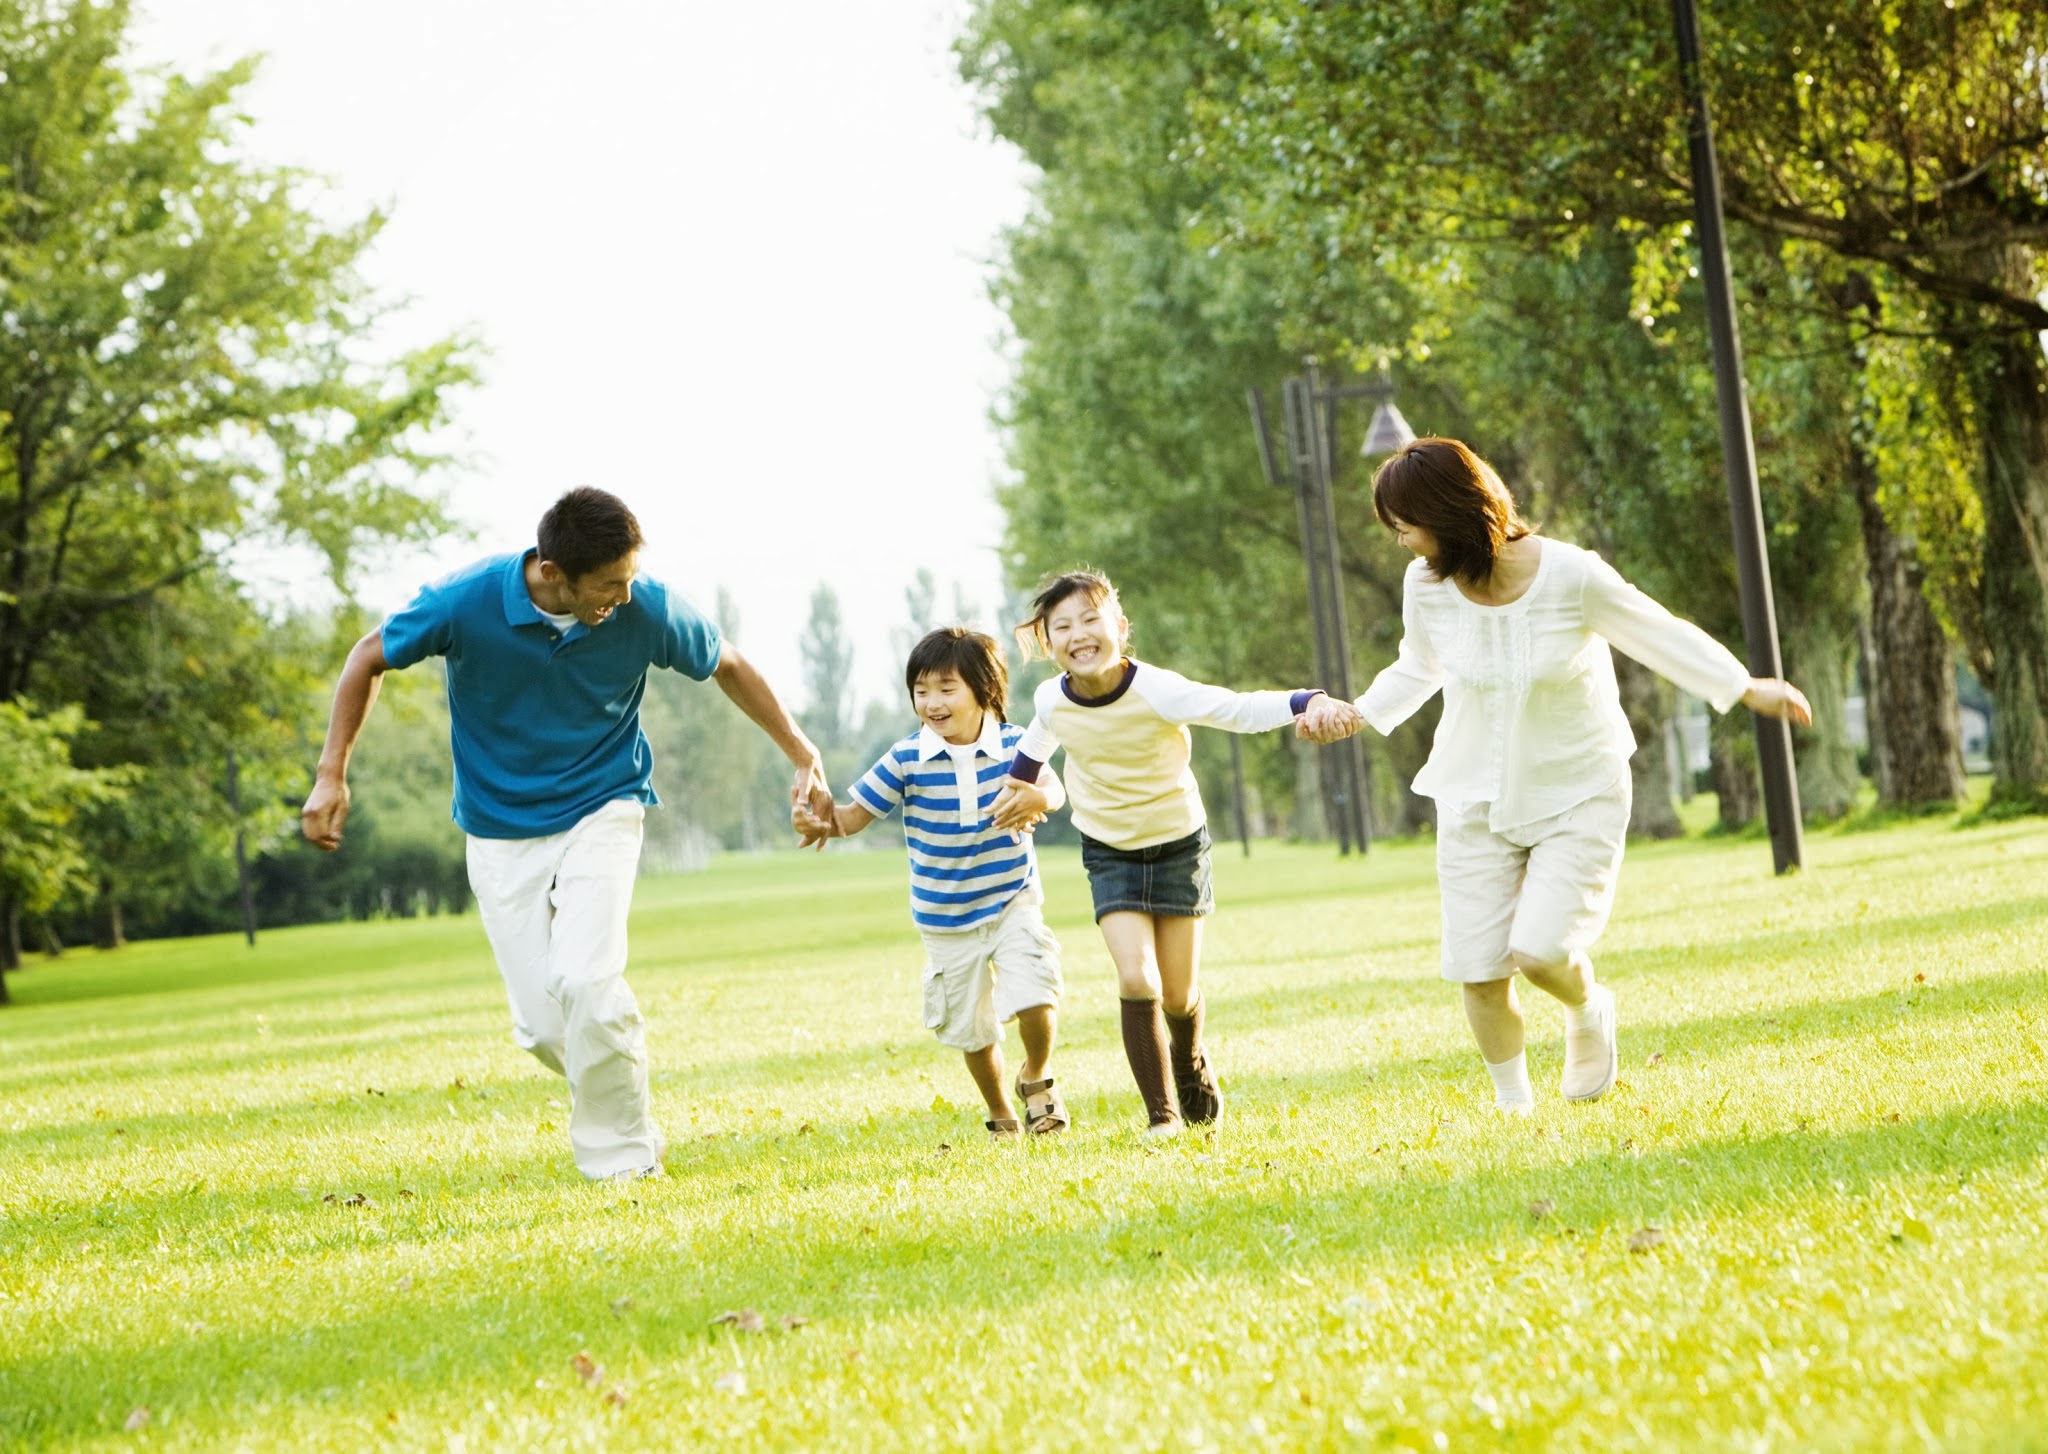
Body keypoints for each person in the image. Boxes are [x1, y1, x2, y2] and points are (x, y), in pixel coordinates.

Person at [300, 487, 831, 1180]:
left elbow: (727, 663)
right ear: (552, 572)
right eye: (608, 584)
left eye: (630, 576)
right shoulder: (465, 601)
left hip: (603, 804)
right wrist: (330, 772)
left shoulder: (644, 606)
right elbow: (367, 657)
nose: (624, 594)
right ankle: (628, 1107)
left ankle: (626, 1165)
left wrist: (801, 752)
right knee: (545, 1026)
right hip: (499, 827)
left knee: (586, 981)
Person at [1307, 437, 1811, 1113]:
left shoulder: (1571, 576)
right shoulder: (1425, 586)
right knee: (1479, 970)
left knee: (1541, 952)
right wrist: (1360, 713)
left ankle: (1587, 1007)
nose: (1401, 543)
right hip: (1473, 793)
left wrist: (1746, 688)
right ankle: (1517, 1114)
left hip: (1577, 787)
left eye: (1407, 527)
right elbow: (1418, 665)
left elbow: (1654, 630)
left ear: (1451, 513)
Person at [990, 571, 1351, 1136]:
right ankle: (1163, 1118)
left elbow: (1234, 709)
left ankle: (1189, 1060)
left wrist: (1307, 700)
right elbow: (1036, 745)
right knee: (1137, 977)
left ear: (1120, 627)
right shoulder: (1050, 700)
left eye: (1091, 620)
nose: (1079, 634)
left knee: (1179, 995)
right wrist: (1020, 790)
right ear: (1047, 640)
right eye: (1062, 626)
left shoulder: (1157, 689)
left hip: (1179, 846)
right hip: (1109, 850)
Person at [792, 627, 1071, 1140]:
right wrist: (820, 822)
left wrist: (1039, 799)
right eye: (921, 690)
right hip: (944, 915)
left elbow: (1051, 787)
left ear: (983, 689)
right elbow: (853, 817)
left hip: (1012, 898)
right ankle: (1002, 1114)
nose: (932, 703)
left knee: (1035, 990)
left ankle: (1036, 1075)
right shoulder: (907, 757)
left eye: (946, 688)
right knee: (971, 1028)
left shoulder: (1015, 746)